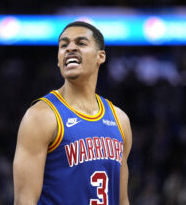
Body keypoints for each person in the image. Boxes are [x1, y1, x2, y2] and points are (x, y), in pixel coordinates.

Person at [13, 21, 132, 205]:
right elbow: (24, 201)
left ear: (100, 56)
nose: (70, 48)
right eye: (64, 45)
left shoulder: (120, 120)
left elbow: (122, 199)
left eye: (81, 43)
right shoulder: (40, 116)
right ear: (59, 60)